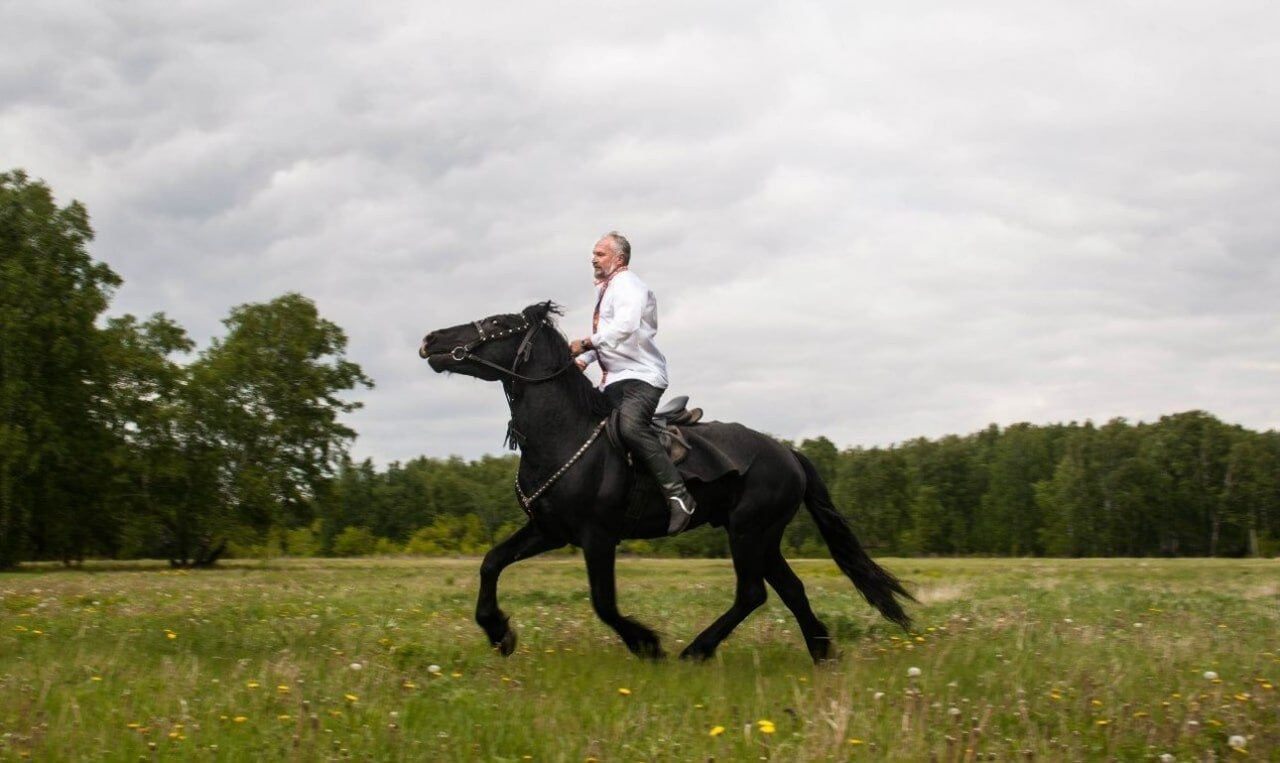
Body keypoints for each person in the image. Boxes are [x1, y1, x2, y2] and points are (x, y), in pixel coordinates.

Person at [569, 232, 697, 535]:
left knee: (630, 427)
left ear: (619, 259)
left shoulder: (628, 285)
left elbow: (624, 328)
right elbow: (612, 342)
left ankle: (679, 496)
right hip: (614, 380)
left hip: (641, 378)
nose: (593, 259)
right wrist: (583, 361)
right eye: (594, 253)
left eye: (600, 254)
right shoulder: (609, 289)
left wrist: (585, 343)